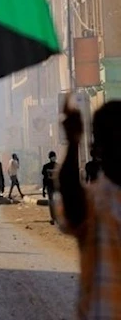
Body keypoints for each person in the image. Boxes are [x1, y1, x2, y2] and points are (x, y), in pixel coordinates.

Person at [57, 97, 121, 319]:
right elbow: (72, 198)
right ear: (98, 148)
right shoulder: (95, 200)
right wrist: (73, 143)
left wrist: (74, 142)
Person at [42, 151, 58, 225]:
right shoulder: (46, 167)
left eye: (54, 156)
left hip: (57, 187)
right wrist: (43, 189)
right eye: (52, 156)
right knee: (51, 203)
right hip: (50, 187)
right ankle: (53, 218)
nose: (53, 158)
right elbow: (44, 178)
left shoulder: (58, 166)